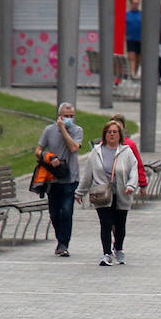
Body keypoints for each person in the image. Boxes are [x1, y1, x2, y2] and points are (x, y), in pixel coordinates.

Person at [74, 118, 139, 267]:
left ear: (120, 134)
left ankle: (119, 248)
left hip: (122, 193)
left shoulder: (126, 151)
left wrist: (131, 185)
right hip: (102, 194)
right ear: (105, 134)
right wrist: (80, 192)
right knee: (106, 223)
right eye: (109, 132)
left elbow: (133, 171)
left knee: (120, 224)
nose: (112, 135)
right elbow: (88, 174)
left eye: (115, 132)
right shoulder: (96, 152)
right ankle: (107, 253)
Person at [36, 102, 84, 257]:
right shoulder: (49, 130)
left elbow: (74, 148)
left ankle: (63, 244)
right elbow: (38, 150)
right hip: (53, 178)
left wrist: (63, 129)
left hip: (71, 179)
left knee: (66, 211)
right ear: (59, 116)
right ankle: (60, 239)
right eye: (66, 116)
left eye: (72, 116)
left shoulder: (77, 130)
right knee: (55, 213)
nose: (69, 119)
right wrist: (48, 157)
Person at [125, 0, 143, 77]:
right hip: (130, 38)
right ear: (131, 4)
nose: (135, 5)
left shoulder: (142, 14)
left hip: (140, 39)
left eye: (137, 4)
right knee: (132, 56)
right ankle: (132, 72)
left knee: (138, 58)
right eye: (134, 4)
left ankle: (135, 72)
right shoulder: (127, 14)